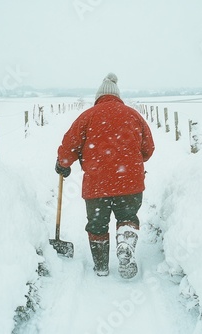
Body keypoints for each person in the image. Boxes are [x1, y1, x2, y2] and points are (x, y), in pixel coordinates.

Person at [55, 73, 155, 279]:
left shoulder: (87, 116)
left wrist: (63, 164)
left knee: (97, 224)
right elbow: (149, 149)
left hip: (97, 185)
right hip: (130, 182)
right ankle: (126, 244)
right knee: (127, 217)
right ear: (118, 96)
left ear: (98, 97)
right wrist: (131, 159)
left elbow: (69, 145)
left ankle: (101, 266)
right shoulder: (133, 115)